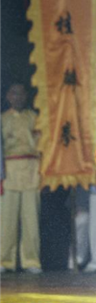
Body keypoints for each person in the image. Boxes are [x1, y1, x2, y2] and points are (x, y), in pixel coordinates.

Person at [0, 83, 42, 274]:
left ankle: (31, 260)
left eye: (21, 93)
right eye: (14, 93)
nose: (17, 97)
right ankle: (5, 260)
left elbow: (41, 146)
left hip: (31, 170)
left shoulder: (35, 118)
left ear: (26, 96)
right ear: (8, 96)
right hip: (8, 172)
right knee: (6, 220)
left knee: (31, 219)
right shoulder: (2, 119)